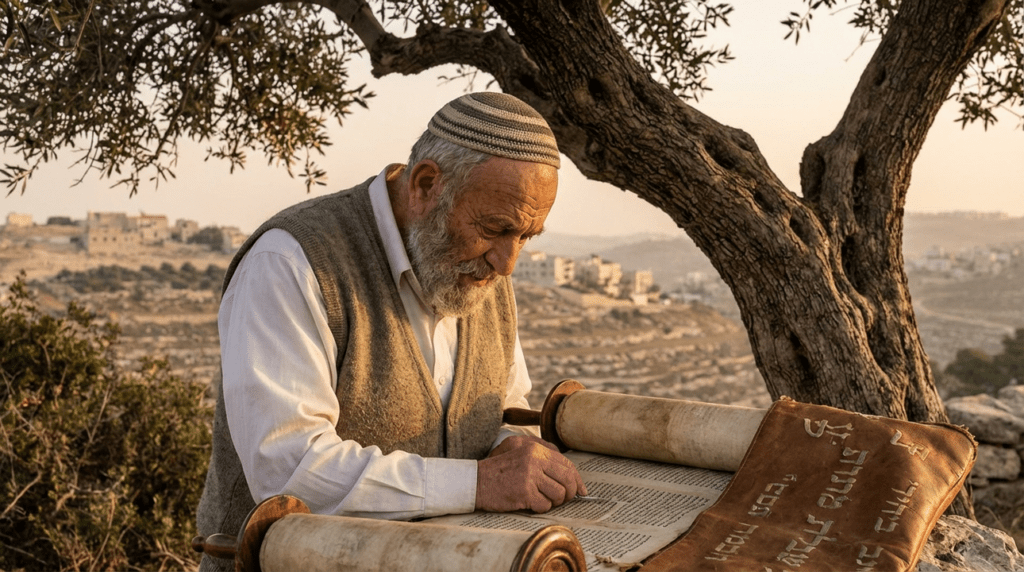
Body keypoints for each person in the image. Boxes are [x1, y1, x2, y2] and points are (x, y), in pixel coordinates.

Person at [196, 92, 587, 571]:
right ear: (425, 184)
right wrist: (480, 483)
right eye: (494, 228)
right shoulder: (290, 262)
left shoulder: (481, 272)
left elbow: (502, 405)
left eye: (526, 237)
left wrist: (514, 447)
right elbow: (289, 471)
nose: (508, 263)